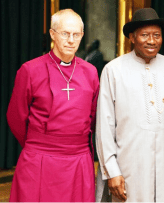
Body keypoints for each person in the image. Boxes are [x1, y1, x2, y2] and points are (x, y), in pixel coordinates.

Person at [95, 8, 164, 202]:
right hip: (128, 168)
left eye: (157, 35)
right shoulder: (113, 70)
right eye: (145, 35)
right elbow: (105, 127)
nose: (152, 41)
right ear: (132, 37)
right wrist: (112, 171)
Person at [6, 9, 99, 202]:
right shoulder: (29, 70)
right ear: (52, 34)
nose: (71, 40)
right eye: (65, 33)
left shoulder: (90, 72)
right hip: (39, 159)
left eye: (76, 35)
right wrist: (38, 145)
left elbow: (94, 117)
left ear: (82, 36)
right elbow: (16, 117)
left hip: (78, 159)